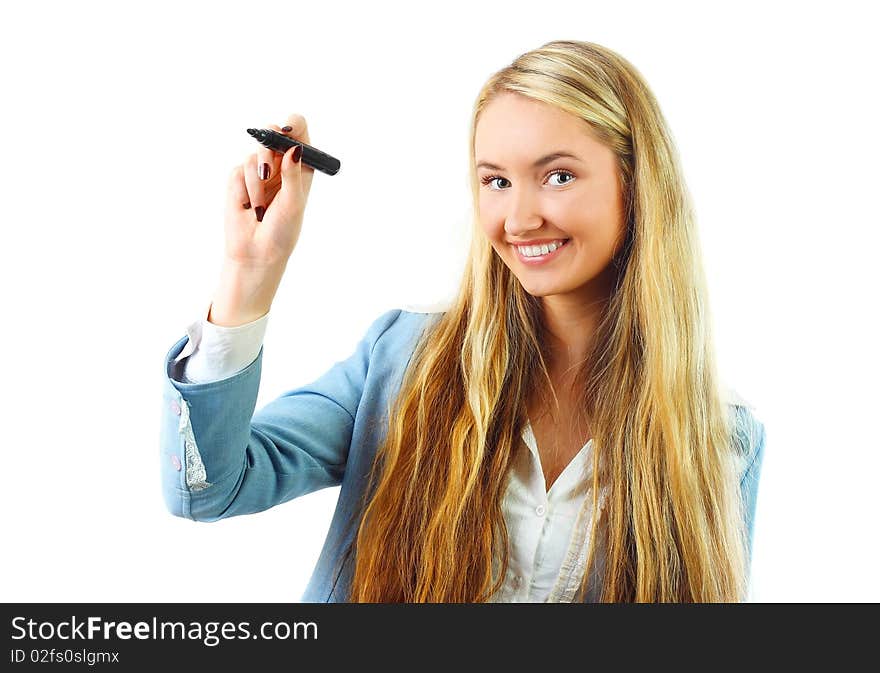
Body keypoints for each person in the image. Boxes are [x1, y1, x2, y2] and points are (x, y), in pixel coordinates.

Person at [159, 39, 766, 603]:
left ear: (636, 185)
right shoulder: (401, 360)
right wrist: (251, 270)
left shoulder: (720, 438)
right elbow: (209, 487)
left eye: (558, 176)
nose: (519, 218)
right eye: (496, 181)